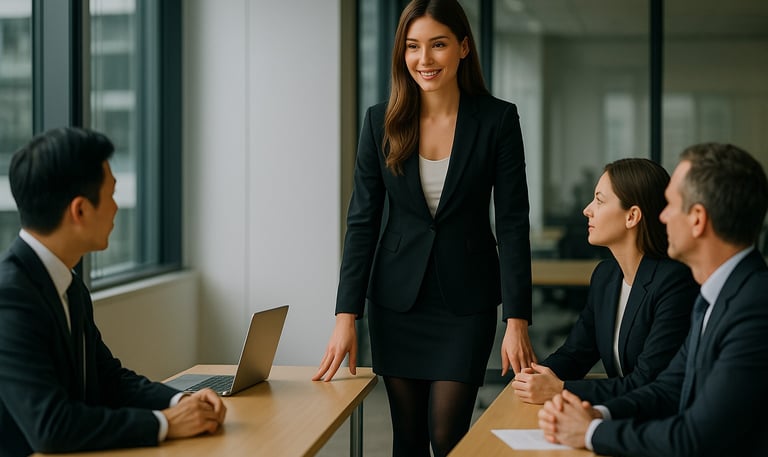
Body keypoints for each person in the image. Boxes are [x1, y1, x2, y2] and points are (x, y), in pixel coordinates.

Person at [312, 0, 535, 455]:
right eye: (413, 47)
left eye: (438, 45)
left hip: (466, 302)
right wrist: (345, 316)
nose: (425, 59)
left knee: (448, 435)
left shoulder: (497, 120)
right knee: (408, 438)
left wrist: (517, 320)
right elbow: (362, 221)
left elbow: (513, 224)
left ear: (463, 48)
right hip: (397, 301)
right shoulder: (381, 121)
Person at [0, 127, 227, 457]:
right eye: (111, 195)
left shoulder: (67, 283)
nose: (116, 208)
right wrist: (165, 423)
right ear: (80, 210)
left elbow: (110, 380)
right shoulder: (10, 298)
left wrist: (181, 401)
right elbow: (51, 427)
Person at [538, 143, 768, 456]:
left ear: (697, 219)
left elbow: (695, 437)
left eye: (671, 204)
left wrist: (592, 432)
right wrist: (598, 415)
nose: (661, 215)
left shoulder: (754, 307)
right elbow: (668, 389)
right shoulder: (716, 295)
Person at [513, 158, 698, 405]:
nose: (587, 210)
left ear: (632, 216)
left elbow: (647, 383)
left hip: (657, 422)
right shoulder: (606, 276)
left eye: (599, 201)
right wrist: (534, 376)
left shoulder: (674, 283)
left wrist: (561, 389)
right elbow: (575, 354)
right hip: (619, 414)